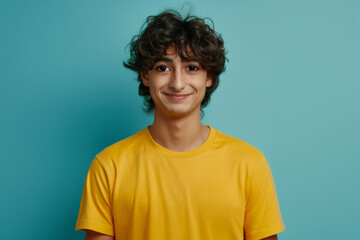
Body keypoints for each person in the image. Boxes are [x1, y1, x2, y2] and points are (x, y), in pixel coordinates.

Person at [76, 10, 285, 240]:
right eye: (163, 68)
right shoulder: (108, 167)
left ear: (209, 77)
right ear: (146, 76)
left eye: (192, 67)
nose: (177, 83)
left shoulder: (249, 164)